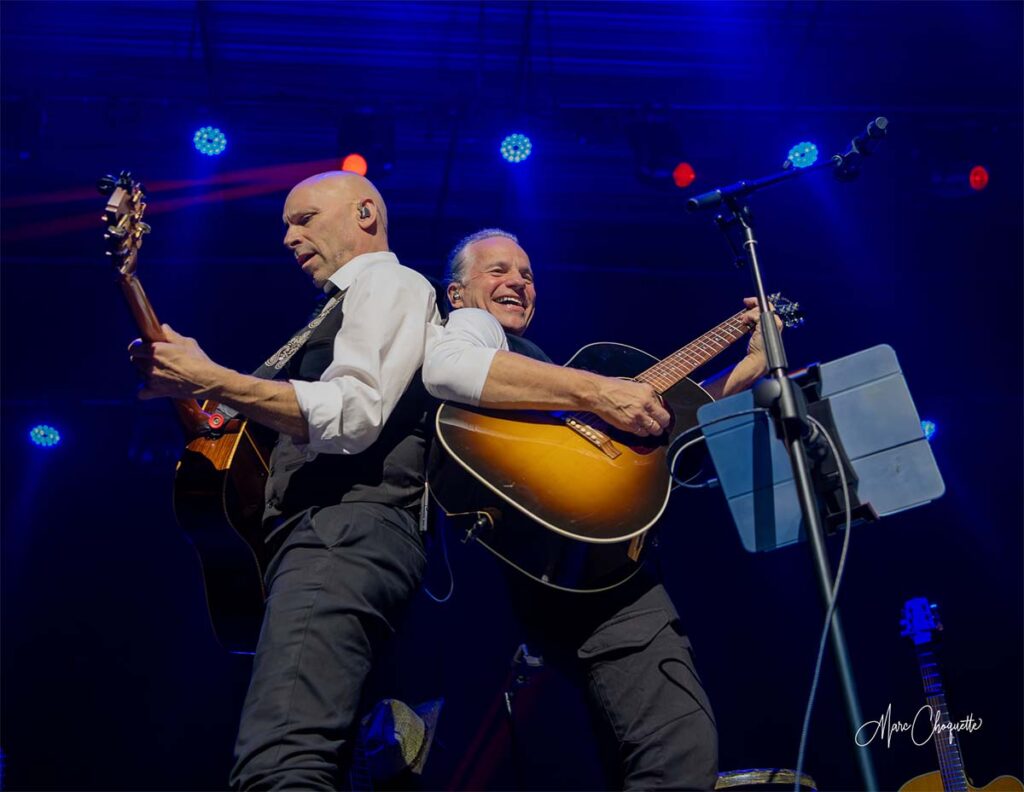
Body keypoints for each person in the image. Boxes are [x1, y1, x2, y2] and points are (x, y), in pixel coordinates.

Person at [422, 228, 779, 790]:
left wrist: (752, 366)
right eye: (498, 271)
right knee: (679, 748)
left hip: (589, 571)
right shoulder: (474, 329)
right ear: (457, 294)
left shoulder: (539, 373)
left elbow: (676, 426)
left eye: (527, 274)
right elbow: (448, 364)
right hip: (596, 588)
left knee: (645, 758)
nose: (518, 280)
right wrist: (597, 390)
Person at [129, 171, 442, 790]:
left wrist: (212, 375)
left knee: (280, 759)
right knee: (343, 762)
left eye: (303, 219)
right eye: (284, 225)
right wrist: (198, 378)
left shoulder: (386, 282)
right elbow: (230, 431)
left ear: (364, 213)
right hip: (323, 541)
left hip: (341, 533)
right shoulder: (329, 315)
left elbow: (353, 414)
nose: (287, 237)